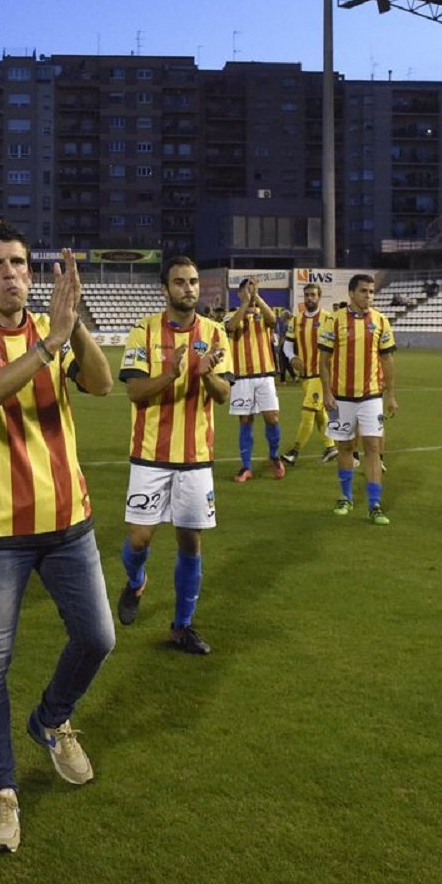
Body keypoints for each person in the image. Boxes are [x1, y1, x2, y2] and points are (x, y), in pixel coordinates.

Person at [0, 222, 114, 854]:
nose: (12, 272)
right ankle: (2, 792)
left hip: (69, 522)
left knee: (98, 637)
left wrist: (76, 323)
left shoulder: (53, 330)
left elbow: (101, 384)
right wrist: (48, 345)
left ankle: (51, 719)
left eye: (20, 263)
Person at [115, 256, 232, 655]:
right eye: (180, 282)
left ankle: (181, 627)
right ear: (164, 288)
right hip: (150, 455)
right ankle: (135, 581)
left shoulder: (216, 334)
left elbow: (223, 395)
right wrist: (172, 373)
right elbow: (134, 392)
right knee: (137, 539)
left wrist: (206, 374)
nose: (189, 289)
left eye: (194, 282)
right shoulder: (142, 332)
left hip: (196, 457)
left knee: (190, 542)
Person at [319, 273, 398, 525]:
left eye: (372, 292)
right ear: (351, 294)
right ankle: (346, 496)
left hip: (371, 396)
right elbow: (323, 361)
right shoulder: (334, 320)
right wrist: (327, 392)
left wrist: (391, 395)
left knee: (373, 447)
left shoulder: (381, 321)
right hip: (340, 397)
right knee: (345, 447)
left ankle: (374, 505)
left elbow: (387, 360)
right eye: (364, 291)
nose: (369, 296)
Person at [225, 277, 284, 481]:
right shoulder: (230, 315)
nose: (250, 293)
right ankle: (246, 467)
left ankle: (274, 457)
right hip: (241, 377)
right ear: (240, 293)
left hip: (265, 374)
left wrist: (257, 298)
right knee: (245, 420)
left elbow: (273, 321)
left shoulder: (263, 313)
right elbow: (231, 328)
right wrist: (245, 304)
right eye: (247, 290)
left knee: (272, 417)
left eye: (253, 289)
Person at [286, 283, 336, 466]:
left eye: (313, 295)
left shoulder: (328, 319)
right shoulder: (296, 320)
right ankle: (331, 447)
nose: (309, 298)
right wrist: (292, 357)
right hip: (305, 377)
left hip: (320, 376)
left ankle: (294, 451)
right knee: (320, 414)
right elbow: (287, 344)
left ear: (319, 297)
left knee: (307, 413)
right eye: (306, 295)